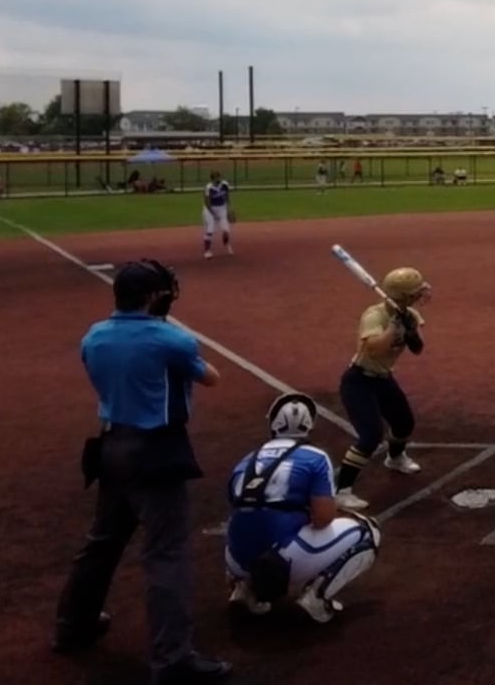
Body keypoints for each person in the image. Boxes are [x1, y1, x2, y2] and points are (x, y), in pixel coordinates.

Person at [53, 261, 231, 683]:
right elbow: (211, 378)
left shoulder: (94, 335)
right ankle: (173, 659)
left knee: (101, 544)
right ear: (153, 296)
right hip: (156, 452)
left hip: (111, 446)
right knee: (166, 554)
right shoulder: (172, 339)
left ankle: (72, 626)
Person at [225, 393, 382, 623]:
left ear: (274, 424)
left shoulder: (246, 459)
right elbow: (323, 518)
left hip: (237, 558)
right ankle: (316, 598)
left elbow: (236, 506)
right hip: (282, 560)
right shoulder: (315, 457)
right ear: (308, 426)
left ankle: (243, 587)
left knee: (245, 521)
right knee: (368, 531)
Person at [333, 267, 431, 510]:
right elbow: (374, 349)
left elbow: (417, 348)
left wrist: (409, 329)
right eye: (414, 293)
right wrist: (393, 328)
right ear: (404, 296)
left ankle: (395, 458)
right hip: (359, 381)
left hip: (383, 379)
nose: (419, 296)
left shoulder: (410, 314)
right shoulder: (374, 316)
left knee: (404, 423)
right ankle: (342, 491)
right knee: (370, 436)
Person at [202, 172, 234, 259]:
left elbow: (227, 197)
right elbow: (207, 202)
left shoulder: (224, 185)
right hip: (210, 209)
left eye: (219, 177)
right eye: (216, 177)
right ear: (212, 179)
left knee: (226, 231)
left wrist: (229, 209)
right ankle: (207, 251)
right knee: (210, 230)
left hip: (222, 208)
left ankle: (226, 244)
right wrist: (213, 214)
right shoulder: (209, 187)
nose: (218, 179)